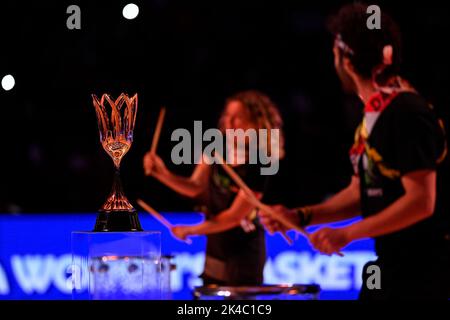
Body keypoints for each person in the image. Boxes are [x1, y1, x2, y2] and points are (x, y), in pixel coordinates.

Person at [259, 3, 449, 300]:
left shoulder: (406, 112)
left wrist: (348, 234)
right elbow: (362, 193)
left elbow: (422, 201)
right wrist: (302, 216)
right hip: (392, 266)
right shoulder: (376, 115)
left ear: (345, 60)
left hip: (424, 273)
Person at [143, 90, 285, 286]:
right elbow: (195, 187)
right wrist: (162, 173)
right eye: (227, 115)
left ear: (256, 123)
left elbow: (235, 216)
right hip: (216, 247)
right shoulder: (216, 148)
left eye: (238, 117)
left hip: (244, 253)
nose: (229, 122)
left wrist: (192, 230)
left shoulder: (261, 161)